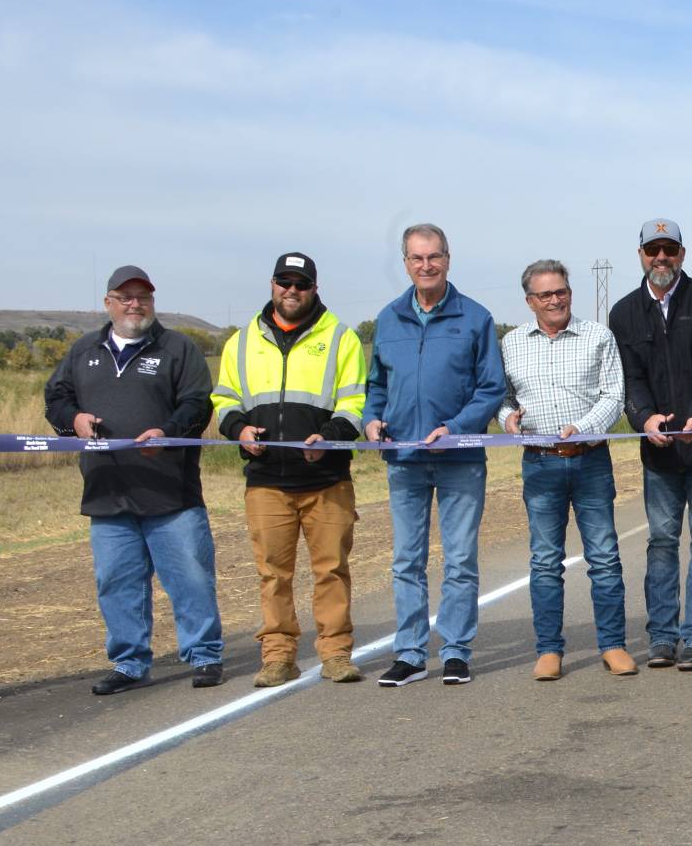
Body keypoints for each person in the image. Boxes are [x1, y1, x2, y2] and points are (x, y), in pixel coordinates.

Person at [42, 265, 224, 694]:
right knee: (116, 582)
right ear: (108, 303)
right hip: (108, 493)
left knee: (191, 578)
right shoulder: (84, 351)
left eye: (142, 297)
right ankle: (129, 662)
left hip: (170, 494)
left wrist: (168, 431)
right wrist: (74, 420)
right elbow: (55, 399)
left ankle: (204, 655)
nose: (134, 305)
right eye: (125, 297)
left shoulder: (179, 349)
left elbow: (199, 404)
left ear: (152, 302)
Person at [212, 251, 368, 687]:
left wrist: (331, 434)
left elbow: (356, 401)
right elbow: (224, 400)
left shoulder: (341, 338)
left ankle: (336, 653)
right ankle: (278, 656)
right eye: (285, 282)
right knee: (272, 574)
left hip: (327, 480)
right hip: (267, 482)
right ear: (272, 285)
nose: (292, 291)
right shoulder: (241, 342)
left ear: (315, 289)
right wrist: (239, 429)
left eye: (301, 284)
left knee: (331, 571)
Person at [363, 223, 504, 686]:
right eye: (417, 258)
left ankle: (457, 651)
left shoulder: (475, 317)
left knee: (460, 559)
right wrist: (373, 419)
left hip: (459, 458)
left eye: (434, 257)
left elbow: (490, 388)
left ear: (448, 259)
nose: (426, 266)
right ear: (405, 263)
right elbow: (376, 385)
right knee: (407, 561)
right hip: (404, 461)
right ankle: (409, 653)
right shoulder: (388, 319)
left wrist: (457, 429)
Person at [615, 219, 692, 672]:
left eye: (670, 249)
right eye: (653, 250)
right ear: (641, 255)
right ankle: (663, 637)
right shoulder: (624, 312)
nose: (661, 258)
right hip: (659, 451)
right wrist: (643, 417)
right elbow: (629, 377)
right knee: (662, 542)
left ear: (682, 254)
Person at [501, 259, 632, 682]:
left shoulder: (598, 336)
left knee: (605, 559)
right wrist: (507, 419)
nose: (555, 299)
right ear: (530, 301)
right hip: (540, 464)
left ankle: (613, 645)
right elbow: (501, 398)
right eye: (545, 294)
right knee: (544, 561)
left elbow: (614, 395)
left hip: (590, 460)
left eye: (561, 291)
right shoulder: (512, 343)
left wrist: (588, 427)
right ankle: (549, 650)